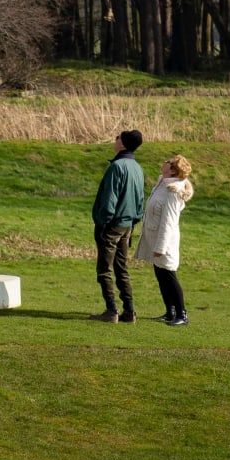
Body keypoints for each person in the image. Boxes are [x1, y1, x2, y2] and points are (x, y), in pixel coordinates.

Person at [90, 128, 146, 323]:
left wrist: (103, 221)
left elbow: (109, 199)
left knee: (104, 268)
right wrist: (134, 220)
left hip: (112, 224)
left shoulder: (117, 167)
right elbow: (140, 199)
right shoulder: (137, 167)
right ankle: (129, 310)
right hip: (128, 224)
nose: (114, 140)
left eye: (117, 138)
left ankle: (111, 310)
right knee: (122, 267)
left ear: (122, 144)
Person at [139, 152, 194, 326]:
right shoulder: (162, 183)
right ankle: (169, 311)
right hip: (155, 237)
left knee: (169, 274)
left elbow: (169, 221)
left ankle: (181, 313)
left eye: (168, 162)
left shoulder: (172, 191)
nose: (163, 162)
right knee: (160, 274)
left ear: (172, 171)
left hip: (165, 240)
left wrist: (160, 246)